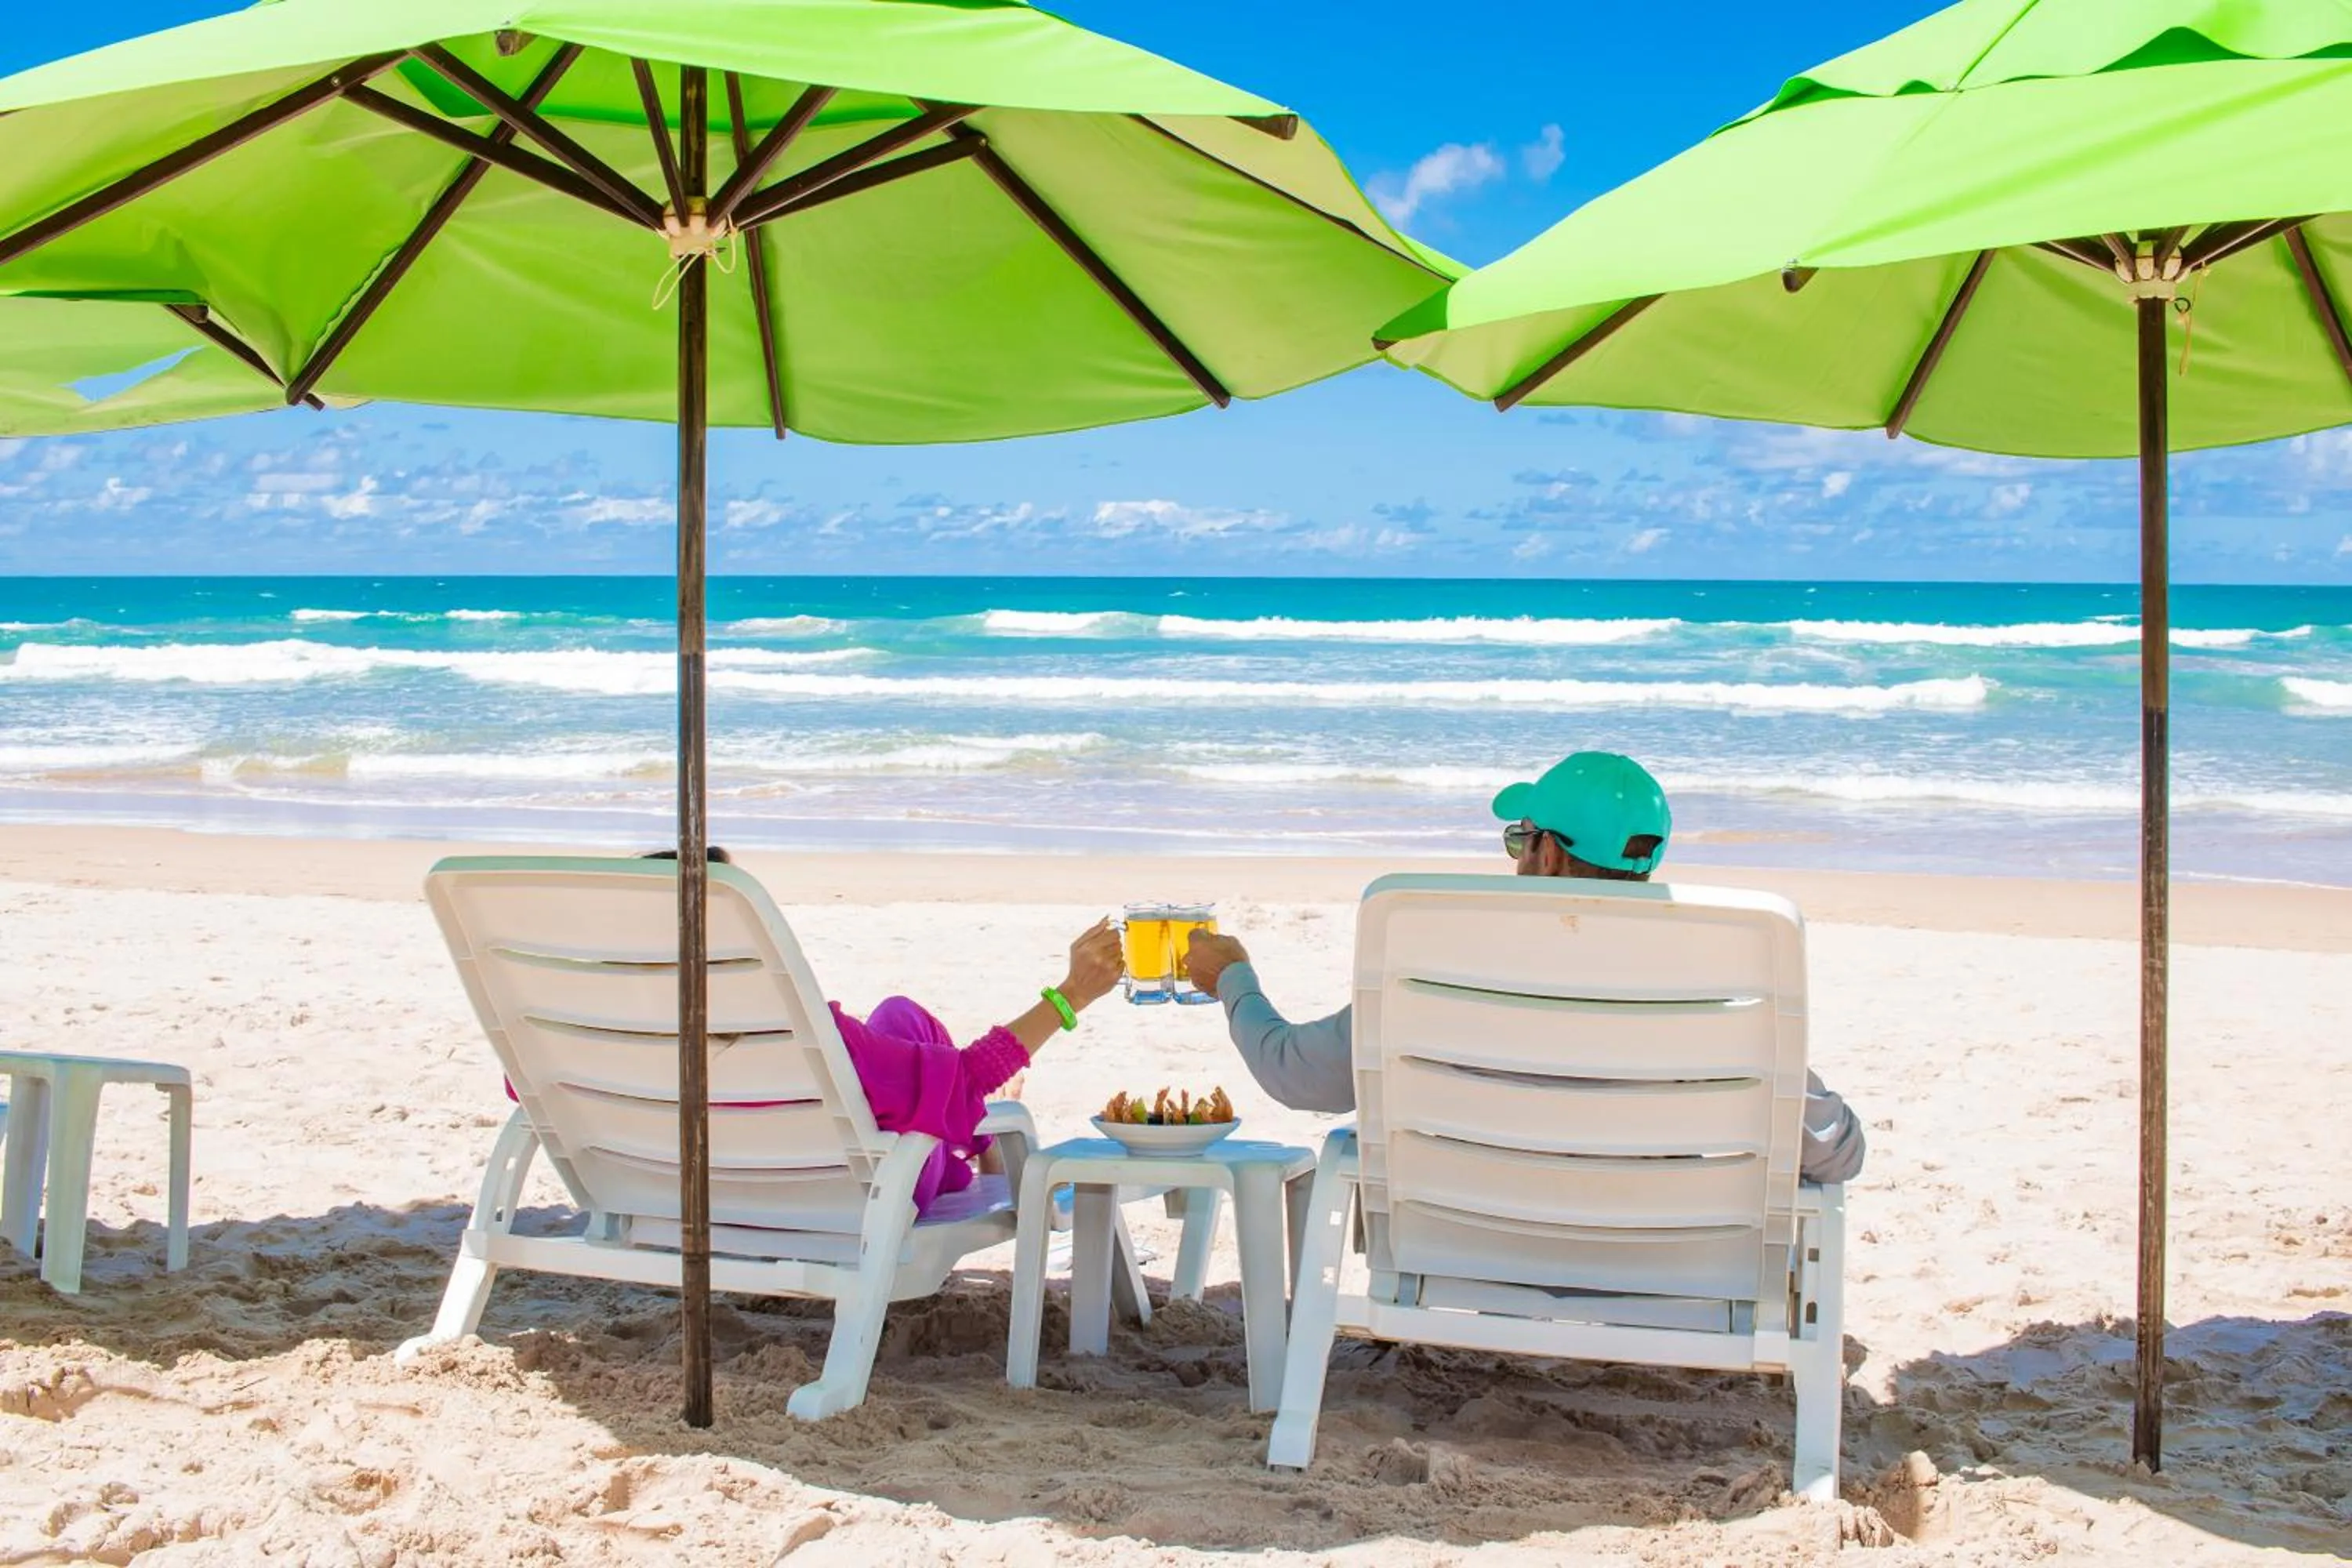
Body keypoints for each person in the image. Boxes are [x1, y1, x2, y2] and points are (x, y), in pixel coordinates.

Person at [1183, 752, 1867, 1185]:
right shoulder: (1711, 1000)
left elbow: (1296, 1077)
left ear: (1545, 855)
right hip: (1670, 1259)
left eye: (1519, 836)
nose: (1514, 853)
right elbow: (1836, 1155)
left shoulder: (1443, 973)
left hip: (1462, 1246)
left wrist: (1233, 977)